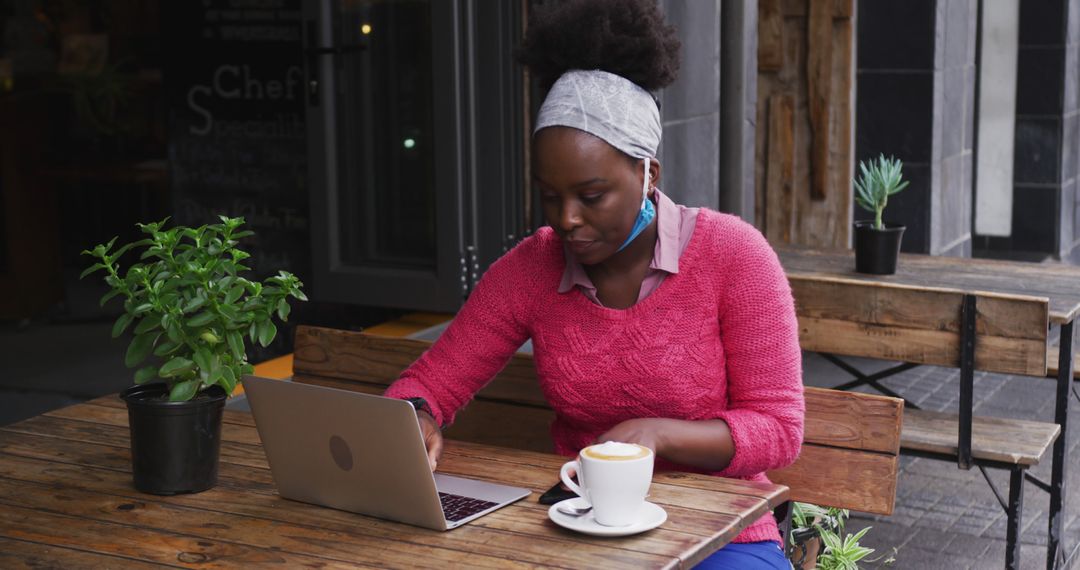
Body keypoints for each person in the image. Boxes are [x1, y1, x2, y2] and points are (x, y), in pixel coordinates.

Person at [385, 1, 803, 567]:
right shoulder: (531, 269)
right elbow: (431, 380)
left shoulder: (734, 256)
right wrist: (417, 415)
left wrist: (656, 436)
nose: (567, 219)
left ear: (647, 172)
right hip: (584, 530)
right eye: (550, 195)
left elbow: (778, 428)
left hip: (724, 531)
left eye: (590, 195)